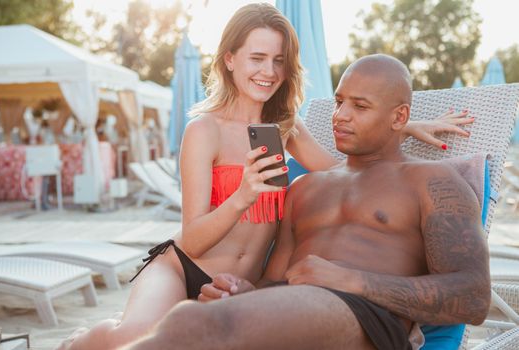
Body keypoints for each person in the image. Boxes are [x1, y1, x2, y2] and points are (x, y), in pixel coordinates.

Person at [58, 4, 472, 350]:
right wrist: (241, 196)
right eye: (257, 58)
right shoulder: (204, 130)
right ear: (230, 59)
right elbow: (193, 237)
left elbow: (343, 171)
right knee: (130, 335)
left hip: (241, 282)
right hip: (184, 266)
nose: (269, 71)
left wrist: (403, 125)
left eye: (278, 60)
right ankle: (79, 341)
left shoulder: (285, 128)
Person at [124, 54, 491, 350]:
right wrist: (246, 293)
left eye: (360, 107)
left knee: (196, 324)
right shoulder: (304, 188)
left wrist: (354, 280)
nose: (340, 116)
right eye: (339, 101)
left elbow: (473, 297)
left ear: (400, 117)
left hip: (367, 319)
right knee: (188, 320)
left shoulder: (432, 181)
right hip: (295, 314)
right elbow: (274, 283)